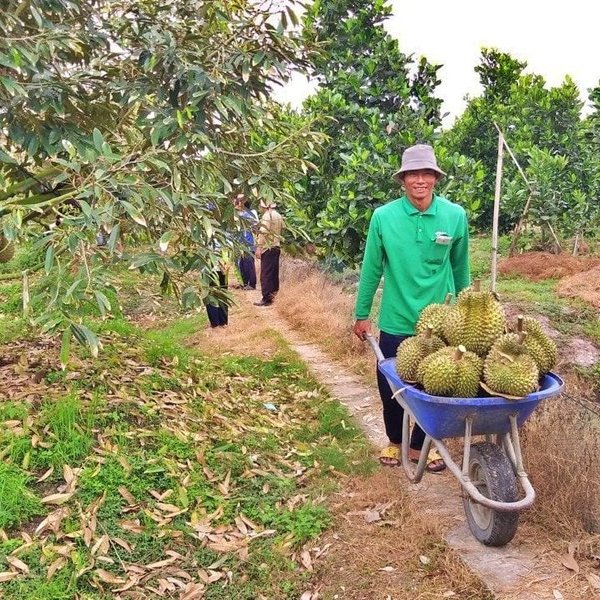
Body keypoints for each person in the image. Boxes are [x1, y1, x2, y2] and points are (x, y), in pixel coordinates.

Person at [352, 144, 470, 471]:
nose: (420, 180)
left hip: (442, 322)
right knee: (393, 387)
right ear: (403, 179)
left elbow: (461, 269)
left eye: (426, 173)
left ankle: (422, 444)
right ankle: (394, 441)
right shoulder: (384, 217)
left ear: (435, 177)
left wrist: (468, 315)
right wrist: (362, 314)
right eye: (413, 174)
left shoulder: (455, 216)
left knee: (438, 388)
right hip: (397, 318)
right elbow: (371, 268)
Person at [254, 199, 284, 307]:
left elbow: (263, 233)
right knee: (273, 273)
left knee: (266, 274)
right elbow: (282, 229)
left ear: (264, 207)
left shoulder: (266, 216)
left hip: (268, 247)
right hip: (276, 246)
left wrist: (259, 248)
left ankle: (266, 297)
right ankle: (274, 295)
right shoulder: (278, 215)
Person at [234, 194, 258, 290]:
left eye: (239, 201)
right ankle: (244, 283)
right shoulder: (237, 214)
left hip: (248, 241)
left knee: (249, 263)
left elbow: (255, 225)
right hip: (239, 242)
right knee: (241, 264)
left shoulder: (251, 213)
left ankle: (251, 284)